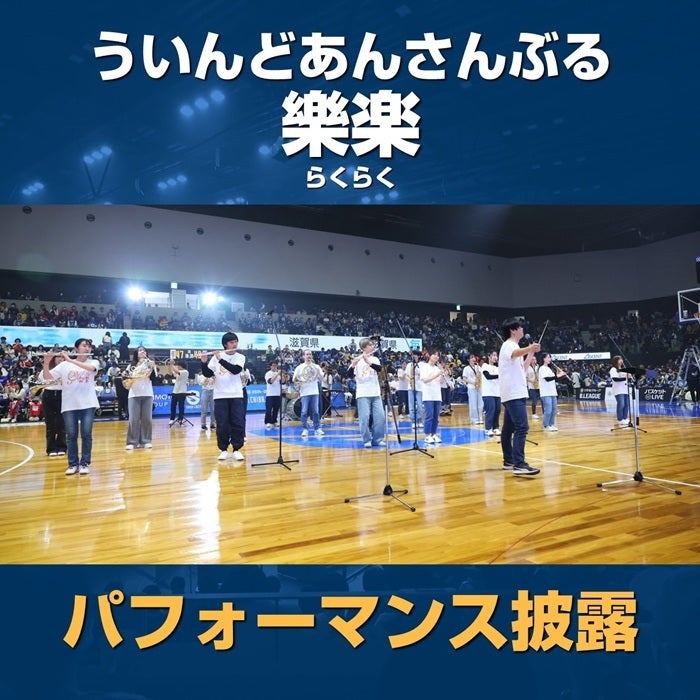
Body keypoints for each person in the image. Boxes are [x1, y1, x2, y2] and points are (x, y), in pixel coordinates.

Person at [42, 338, 99, 476]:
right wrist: (46, 362)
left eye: (89, 346)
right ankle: (73, 464)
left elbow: (91, 369)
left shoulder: (93, 362)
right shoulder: (64, 365)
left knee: (86, 434)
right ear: (76, 349)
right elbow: (47, 378)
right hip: (69, 405)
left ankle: (84, 463)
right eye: (84, 346)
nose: (87, 348)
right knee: (71, 436)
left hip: (88, 404)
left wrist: (70, 360)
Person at [498, 319, 540, 476]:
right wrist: (529, 347)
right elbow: (515, 353)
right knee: (522, 427)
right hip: (513, 393)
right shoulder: (509, 345)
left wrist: (531, 353)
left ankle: (509, 460)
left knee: (508, 429)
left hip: (514, 392)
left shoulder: (514, 347)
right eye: (520, 327)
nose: (523, 329)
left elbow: (523, 368)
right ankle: (519, 463)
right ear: (513, 330)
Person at [200, 332, 246, 461]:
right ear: (225, 344)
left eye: (236, 341)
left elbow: (235, 370)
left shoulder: (240, 357)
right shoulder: (216, 358)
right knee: (222, 424)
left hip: (236, 394)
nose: (234, 344)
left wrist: (220, 359)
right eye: (232, 342)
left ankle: (237, 449)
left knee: (238, 422)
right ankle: (223, 449)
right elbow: (208, 374)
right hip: (220, 395)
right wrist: (203, 363)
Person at [348, 338, 385, 448]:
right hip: (363, 394)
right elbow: (349, 375)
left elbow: (379, 369)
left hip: (375, 393)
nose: (373, 346)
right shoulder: (358, 360)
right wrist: (353, 365)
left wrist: (368, 362)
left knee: (380, 417)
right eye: (370, 345)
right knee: (364, 418)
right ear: (365, 347)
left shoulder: (375, 359)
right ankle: (367, 439)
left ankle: (378, 439)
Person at [125, 346, 156, 450]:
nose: (142, 352)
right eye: (139, 350)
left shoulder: (150, 364)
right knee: (133, 419)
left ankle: (146, 441)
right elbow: (126, 379)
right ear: (136, 353)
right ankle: (132, 442)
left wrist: (153, 367)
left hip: (147, 393)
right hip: (134, 394)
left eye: (144, 350)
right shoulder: (131, 366)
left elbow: (154, 379)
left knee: (147, 419)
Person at [292, 349, 324, 437]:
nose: (308, 356)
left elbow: (321, 379)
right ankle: (305, 429)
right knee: (304, 412)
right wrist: (299, 382)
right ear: (304, 356)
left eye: (310, 354)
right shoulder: (299, 368)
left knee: (316, 412)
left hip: (314, 392)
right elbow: (294, 379)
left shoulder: (316, 367)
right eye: (307, 354)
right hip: (304, 392)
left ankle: (317, 428)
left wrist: (318, 373)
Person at [42, 356, 67, 457]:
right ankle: (51, 448)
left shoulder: (67, 369)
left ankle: (62, 446)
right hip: (49, 395)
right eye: (58, 357)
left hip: (62, 395)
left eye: (62, 357)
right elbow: (42, 379)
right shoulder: (48, 369)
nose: (61, 359)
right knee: (50, 423)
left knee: (62, 423)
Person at [419, 349, 443, 444]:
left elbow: (441, 382)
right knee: (429, 416)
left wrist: (442, 374)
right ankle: (427, 435)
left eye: (437, 355)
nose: (436, 357)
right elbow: (425, 380)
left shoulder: (437, 368)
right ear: (429, 355)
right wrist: (436, 375)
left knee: (436, 417)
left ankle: (434, 434)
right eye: (434, 355)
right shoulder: (424, 367)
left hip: (437, 395)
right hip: (428, 395)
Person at [538, 353, 567, 432]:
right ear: (544, 359)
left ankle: (551, 424)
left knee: (554, 410)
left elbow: (554, 379)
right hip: (546, 392)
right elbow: (547, 379)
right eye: (548, 357)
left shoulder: (549, 368)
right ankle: (546, 425)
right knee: (548, 410)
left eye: (550, 357)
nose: (550, 359)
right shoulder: (542, 368)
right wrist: (557, 375)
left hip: (553, 392)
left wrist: (561, 375)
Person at [481, 351, 501, 438]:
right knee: (490, 410)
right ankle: (488, 428)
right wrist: (499, 375)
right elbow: (488, 376)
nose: (495, 357)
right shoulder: (485, 366)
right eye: (493, 355)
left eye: (496, 355)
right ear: (489, 356)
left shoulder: (498, 368)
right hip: (488, 392)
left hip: (497, 393)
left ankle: (495, 427)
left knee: (497, 410)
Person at [610, 355, 631, 427]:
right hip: (618, 390)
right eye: (619, 359)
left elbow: (628, 379)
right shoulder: (613, 369)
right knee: (621, 404)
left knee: (626, 404)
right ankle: (620, 419)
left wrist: (629, 377)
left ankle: (625, 418)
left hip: (625, 389)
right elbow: (615, 379)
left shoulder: (623, 369)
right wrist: (625, 378)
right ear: (616, 361)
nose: (621, 360)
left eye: (622, 359)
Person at [462, 354, 483, 425]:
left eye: (474, 357)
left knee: (480, 403)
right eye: (471, 358)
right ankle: (474, 419)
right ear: (468, 360)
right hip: (471, 387)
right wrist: (473, 382)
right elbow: (464, 378)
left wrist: (479, 376)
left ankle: (480, 418)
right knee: (473, 403)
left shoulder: (478, 367)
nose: (473, 359)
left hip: (479, 387)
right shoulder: (466, 368)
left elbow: (481, 376)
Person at [168, 361, 189, 426]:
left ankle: (180, 419)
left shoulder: (185, 372)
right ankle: (172, 419)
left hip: (182, 392)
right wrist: (169, 365)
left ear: (181, 366)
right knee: (173, 406)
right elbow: (171, 373)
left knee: (181, 406)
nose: (177, 366)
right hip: (175, 391)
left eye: (178, 365)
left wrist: (172, 364)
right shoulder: (178, 372)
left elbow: (176, 371)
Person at [263, 360, 282, 429]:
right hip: (270, 394)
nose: (275, 367)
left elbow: (282, 382)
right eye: (273, 366)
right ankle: (268, 422)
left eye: (276, 366)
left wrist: (283, 376)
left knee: (276, 409)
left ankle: (274, 421)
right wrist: (277, 374)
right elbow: (270, 381)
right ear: (270, 366)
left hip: (277, 394)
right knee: (269, 409)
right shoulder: (268, 373)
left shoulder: (279, 374)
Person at [525, 355, 541, 420]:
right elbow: (525, 377)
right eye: (532, 359)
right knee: (534, 401)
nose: (534, 361)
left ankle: (544, 412)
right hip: (532, 386)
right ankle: (534, 414)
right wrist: (531, 381)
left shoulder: (538, 367)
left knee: (542, 400)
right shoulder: (527, 367)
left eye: (535, 359)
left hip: (539, 386)